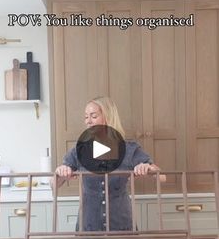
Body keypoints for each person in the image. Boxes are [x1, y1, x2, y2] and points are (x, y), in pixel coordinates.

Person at [52, 96, 164, 231]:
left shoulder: (129, 148)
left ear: (108, 117)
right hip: (88, 226)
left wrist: (148, 168)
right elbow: (54, 185)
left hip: (121, 225)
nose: (88, 121)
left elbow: (161, 177)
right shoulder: (80, 150)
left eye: (93, 116)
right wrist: (61, 173)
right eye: (86, 117)